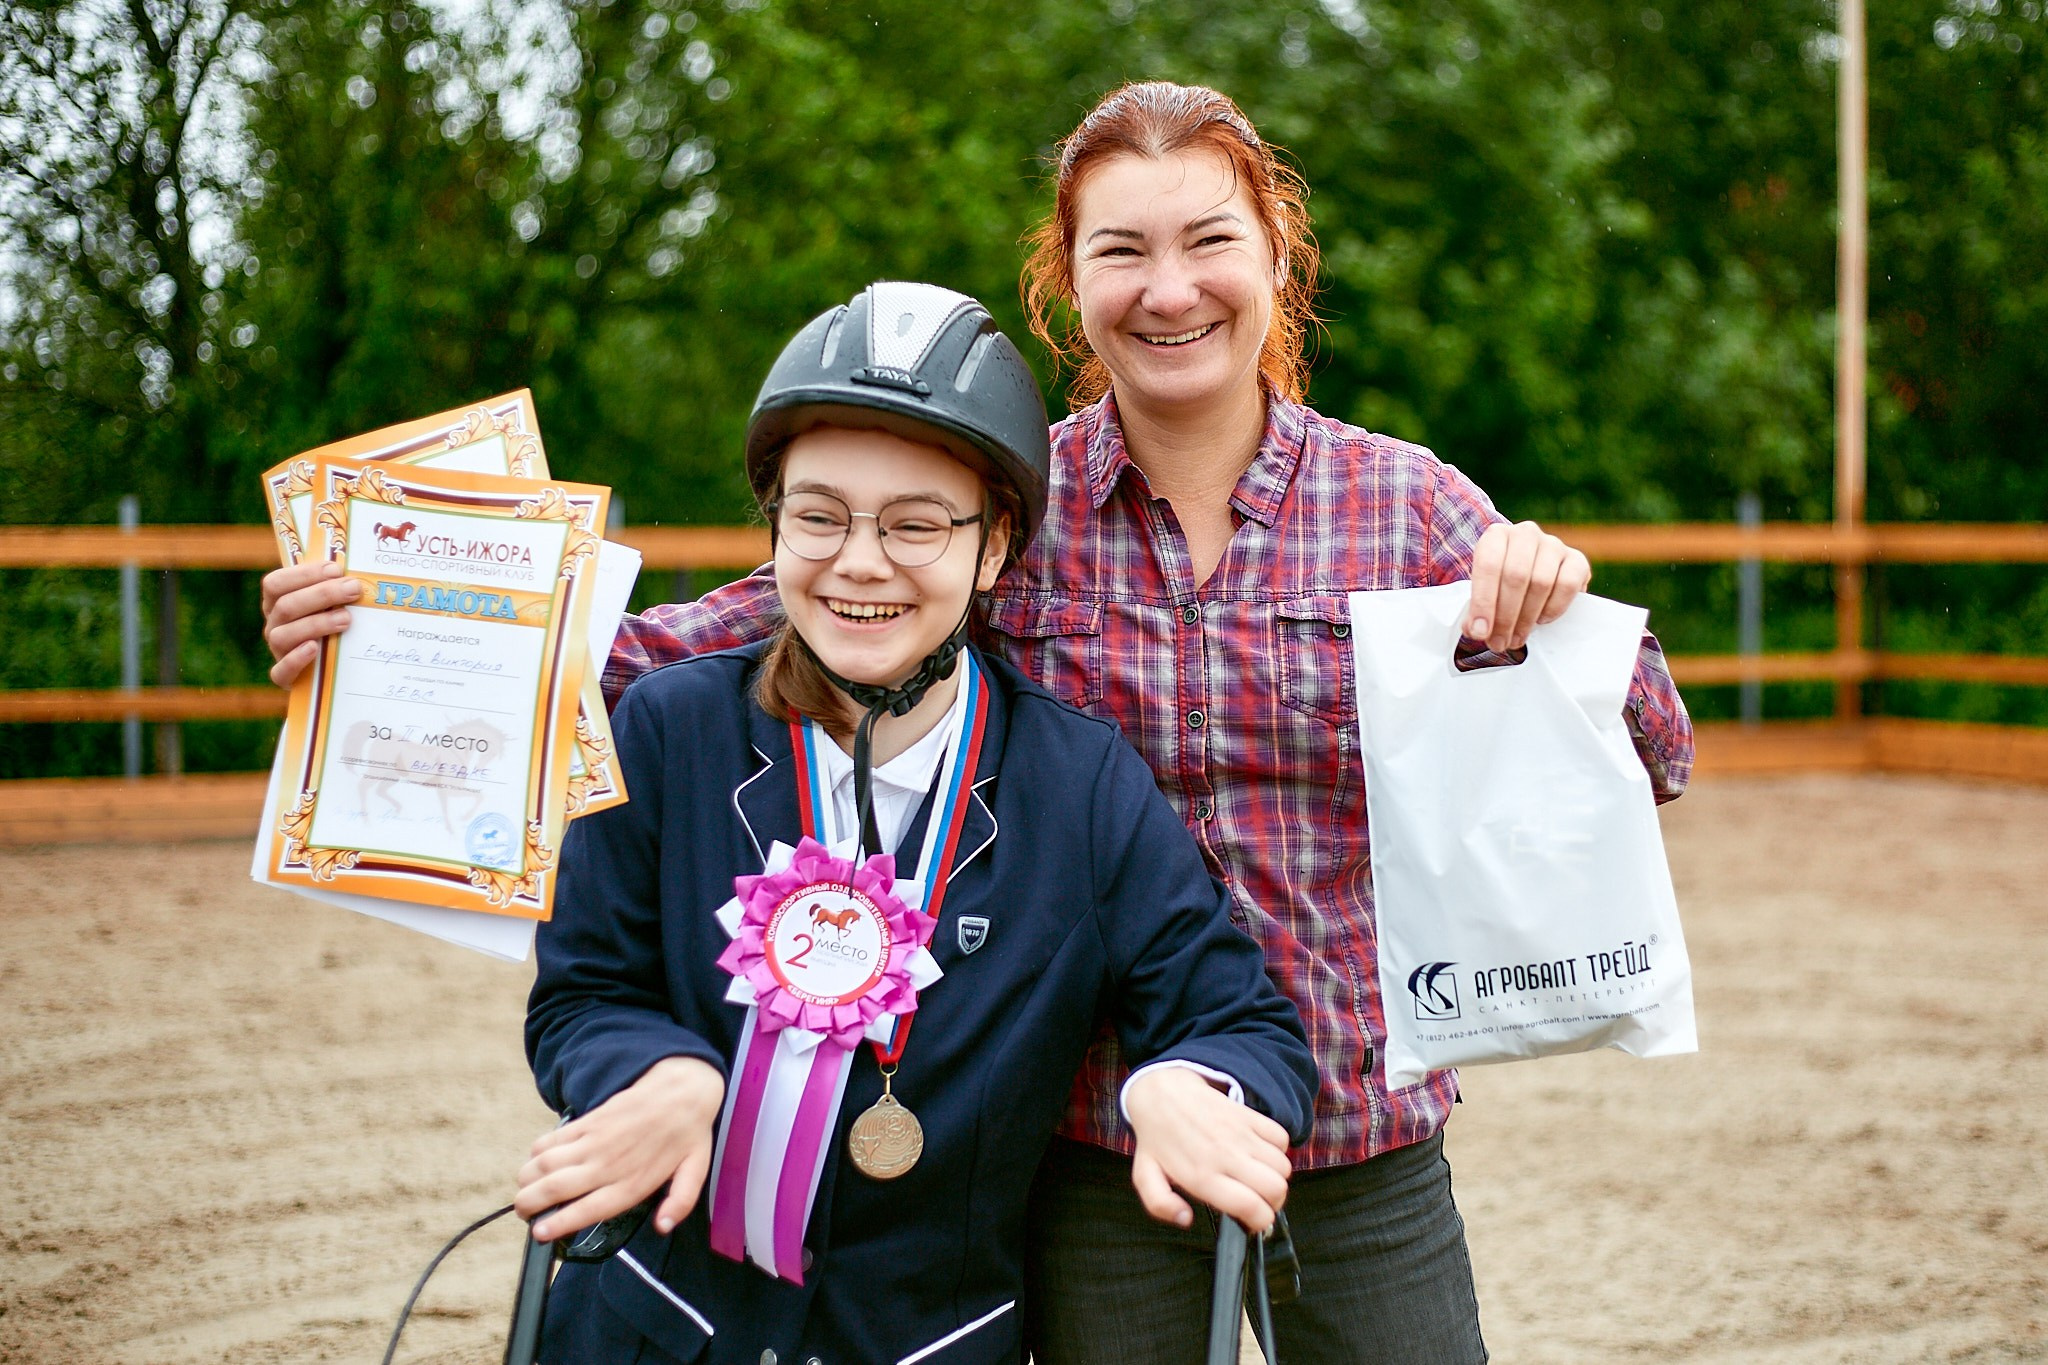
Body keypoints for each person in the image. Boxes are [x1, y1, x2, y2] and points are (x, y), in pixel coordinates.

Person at [263, 83, 1695, 1362]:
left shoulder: (1409, 503)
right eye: (1119, 250)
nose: (1168, 287)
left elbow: (1650, 756)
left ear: (1277, 261)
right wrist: (384, 637)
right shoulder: (1004, 495)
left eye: (1209, 241)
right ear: (1068, 283)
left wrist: (1555, 614)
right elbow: (711, 634)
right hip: (1088, 1140)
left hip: (1360, 1131)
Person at [507, 281, 1316, 1364]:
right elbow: (584, 994)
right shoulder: (667, 733)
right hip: (654, 1326)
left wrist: (1180, 1082)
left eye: (916, 525)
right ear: (776, 522)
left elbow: (1246, 1027)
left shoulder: (1078, 790)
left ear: (992, 550)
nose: (858, 562)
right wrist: (657, 1072)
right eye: (819, 515)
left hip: (924, 1341)